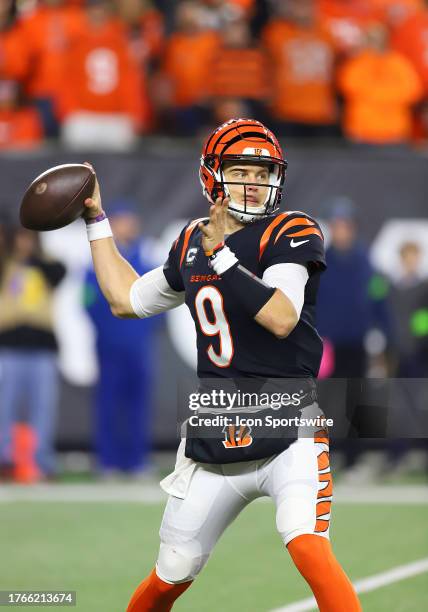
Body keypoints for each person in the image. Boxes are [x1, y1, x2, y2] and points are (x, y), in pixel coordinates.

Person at [82, 118, 361, 611]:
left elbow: (280, 317)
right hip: (216, 429)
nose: (253, 182)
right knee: (171, 574)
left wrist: (224, 257)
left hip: (286, 425)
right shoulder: (192, 240)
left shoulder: (291, 230)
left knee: (308, 546)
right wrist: (96, 222)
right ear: (213, 175)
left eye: (262, 172)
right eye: (240, 170)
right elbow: (126, 299)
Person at [83, 202, 158, 478]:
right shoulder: (98, 265)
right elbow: (88, 302)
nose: (128, 226)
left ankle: (136, 460)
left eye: (130, 221)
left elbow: (160, 303)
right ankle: (108, 461)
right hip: (110, 347)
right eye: (122, 221)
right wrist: (109, 331)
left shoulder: (146, 261)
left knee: (138, 404)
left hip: (139, 347)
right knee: (108, 404)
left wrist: (141, 331)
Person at [0, 227, 65, 480]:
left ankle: (43, 463)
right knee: (5, 408)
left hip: (41, 348)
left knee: (43, 410)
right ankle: (4, 462)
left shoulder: (45, 265)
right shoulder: (6, 264)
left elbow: (59, 272)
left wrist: (35, 254)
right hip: (9, 346)